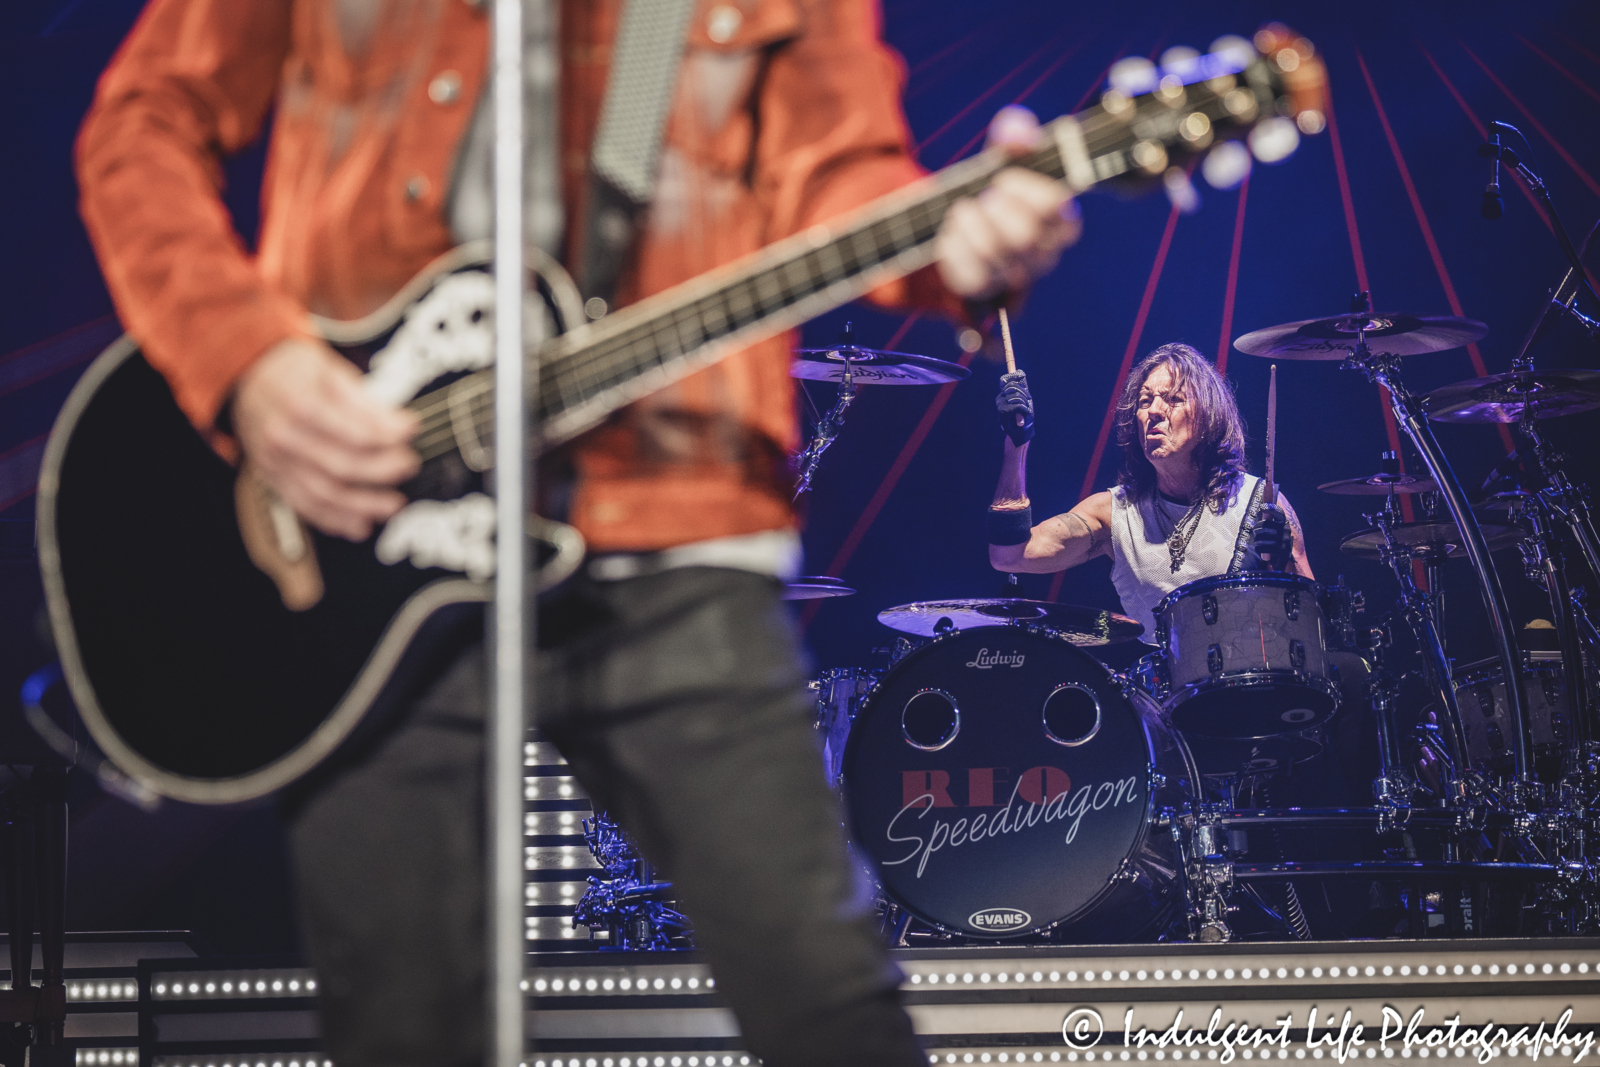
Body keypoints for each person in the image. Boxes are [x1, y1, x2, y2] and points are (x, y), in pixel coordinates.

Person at [74, 3, 1079, 1066]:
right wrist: (247, 359)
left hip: (675, 516)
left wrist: (956, 240)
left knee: (824, 998)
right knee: (405, 1020)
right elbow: (142, 120)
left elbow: (836, 180)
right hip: (372, 531)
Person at [987, 342, 1311, 638]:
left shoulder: (1261, 502)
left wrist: (1287, 564)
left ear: (1208, 415)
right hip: (1162, 696)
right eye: (1145, 401)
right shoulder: (1113, 513)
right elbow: (1010, 556)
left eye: (1173, 399)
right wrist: (1016, 445)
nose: (1154, 411)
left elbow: (1313, 623)